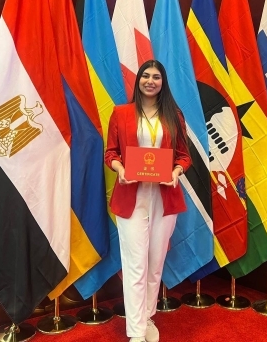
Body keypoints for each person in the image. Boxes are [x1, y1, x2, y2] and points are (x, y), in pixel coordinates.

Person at [105, 60, 192, 342]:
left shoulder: (173, 115)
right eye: (146, 75)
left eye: (156, 77)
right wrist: (120, 169)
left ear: (163, 82)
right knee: (135, 264)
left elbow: (184, 156)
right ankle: (135, 332)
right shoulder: (121, 113)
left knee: (155, 263)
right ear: (138, 80)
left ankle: (147, 317)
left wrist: (176, 172)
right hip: (131, 197)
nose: (150, 81)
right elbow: (111, 153)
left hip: (164, 199)